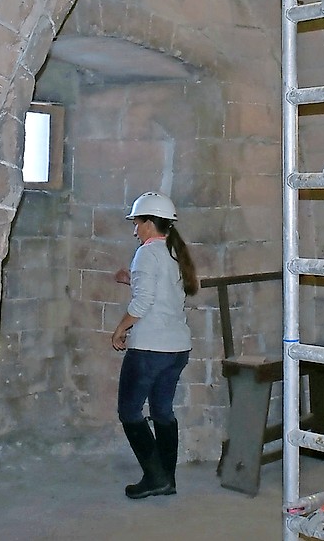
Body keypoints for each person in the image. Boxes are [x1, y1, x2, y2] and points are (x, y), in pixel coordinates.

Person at [112, 191, 199, 499]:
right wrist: (131, 279)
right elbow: (162, 293)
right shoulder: (173, 252)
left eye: (137, 223)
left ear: (149, 223)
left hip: (150, 348)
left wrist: (119, 329)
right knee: (162, 411)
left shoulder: (147, 253)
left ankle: (155, 476)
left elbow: (144, 302)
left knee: (130, 411)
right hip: (176, 348)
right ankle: (167, 480)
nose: (135, 229)